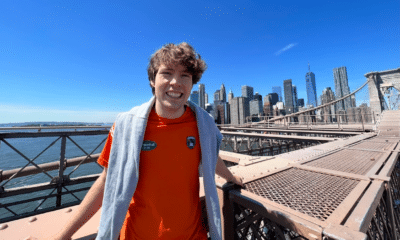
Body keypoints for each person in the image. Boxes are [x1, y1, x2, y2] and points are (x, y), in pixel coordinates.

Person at [27, 42, 243, 240]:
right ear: (152, 79)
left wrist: (232, 178)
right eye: (166, 73)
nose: (176, 82)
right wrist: (63, 235)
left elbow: (210, 158)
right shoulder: (126, 125)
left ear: (192, 83)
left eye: (185, 75)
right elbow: (106, 182)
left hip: (192, 235)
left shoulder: (203, 124)